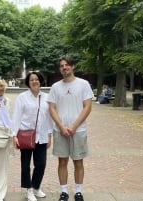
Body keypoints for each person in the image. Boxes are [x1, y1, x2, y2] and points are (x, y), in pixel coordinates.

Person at [47, 55, 94, 201]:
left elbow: (87, 107)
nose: (64, 67)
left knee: (78, 161)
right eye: (61, 66)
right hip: (60, 131)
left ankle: (78, 191)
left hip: (78, 130)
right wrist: (61, 127)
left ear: (73, 66)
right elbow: (52, 108)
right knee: (62, 161)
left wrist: (73, 126)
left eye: (67, 65)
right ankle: (64, 191)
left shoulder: (83, 84)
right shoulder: (55, 87)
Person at [12, 72, 53, 201]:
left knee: (41, 164)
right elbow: (17, 116)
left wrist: (49, 135)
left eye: (36, 79)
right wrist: (14, 135)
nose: (34, 81)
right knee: (25, 164)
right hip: (25, 135)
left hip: (42, 135)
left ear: (40, 81)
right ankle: (28, 189)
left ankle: (35, 187)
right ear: (28, 82)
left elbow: (49, 118)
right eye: (31, 80)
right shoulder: (22, 97)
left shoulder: (47, 97)